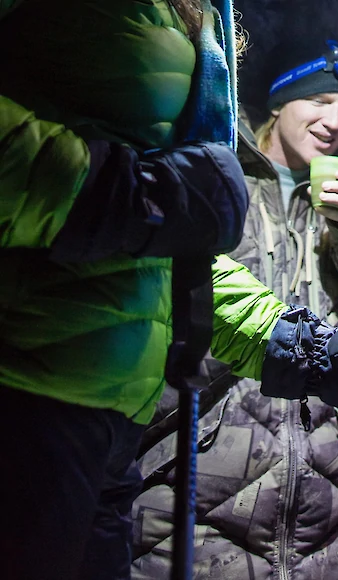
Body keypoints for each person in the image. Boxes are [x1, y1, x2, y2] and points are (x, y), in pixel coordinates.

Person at [131, 43, 338, 579]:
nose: (336, 120)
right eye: (320, 101)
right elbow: (169, 294)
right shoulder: (217, 180)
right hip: (192, 492)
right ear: (280, 104)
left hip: (333, 504)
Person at [0, 1, 252, 579]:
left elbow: (171, 245)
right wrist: (125, 196)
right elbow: (153, 202)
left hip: (117, 417)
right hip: (28, 386)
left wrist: (299, 344)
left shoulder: (196, 10)